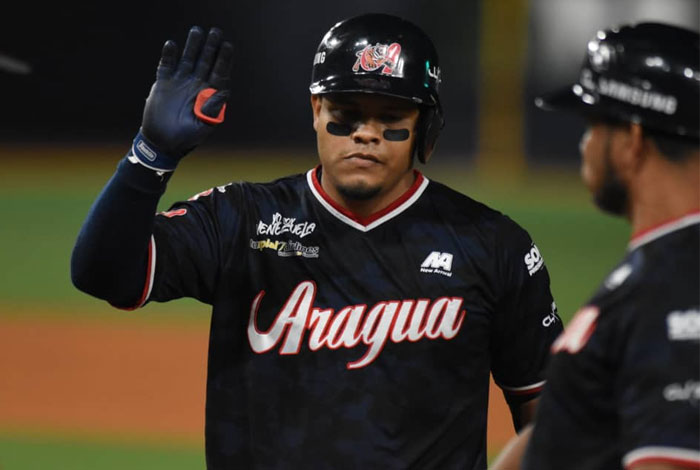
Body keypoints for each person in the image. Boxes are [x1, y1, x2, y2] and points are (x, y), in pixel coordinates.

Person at [71, 13, 562, 469]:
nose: (365, 134)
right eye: (346, 113)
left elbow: (555, 419)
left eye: (391, 117)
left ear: (424, 126)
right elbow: (103, 274)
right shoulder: (242, 219)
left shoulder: (491, 245)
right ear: (315, 109)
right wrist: (150, 155)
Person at [490, 22, 700, 470]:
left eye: (593, 125)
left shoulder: (674, 287)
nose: (584, 145)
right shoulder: (660, 271)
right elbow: (563, 429)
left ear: (632, 141)